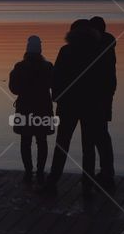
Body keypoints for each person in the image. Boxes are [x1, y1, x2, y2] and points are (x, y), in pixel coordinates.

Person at [43, 19, 102, 197]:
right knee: (88, 146)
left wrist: (57, 97)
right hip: (90, 105)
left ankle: (53, 181)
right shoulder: (96, 51)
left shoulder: (66, 51)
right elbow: (102, 80)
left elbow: (56, 76)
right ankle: (88, 183)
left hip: (68, 104)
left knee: (62, 144)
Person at [8, 35, 54, 186]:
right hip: (43, 108)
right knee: (42, 140)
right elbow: (55, 84)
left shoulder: (20, 67)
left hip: (25, 108)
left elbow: (14, 89)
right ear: (40, 50)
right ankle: (40, 171)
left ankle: (28, 172)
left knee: (25, 140)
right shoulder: (48, 67)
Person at [90, 16, 117, 190]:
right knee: (101, 135)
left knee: (99, 135)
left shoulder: (100, 48)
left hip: (98, 97)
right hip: (105, 96)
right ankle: (106, 171)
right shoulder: (107, 47)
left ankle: (105, 172)